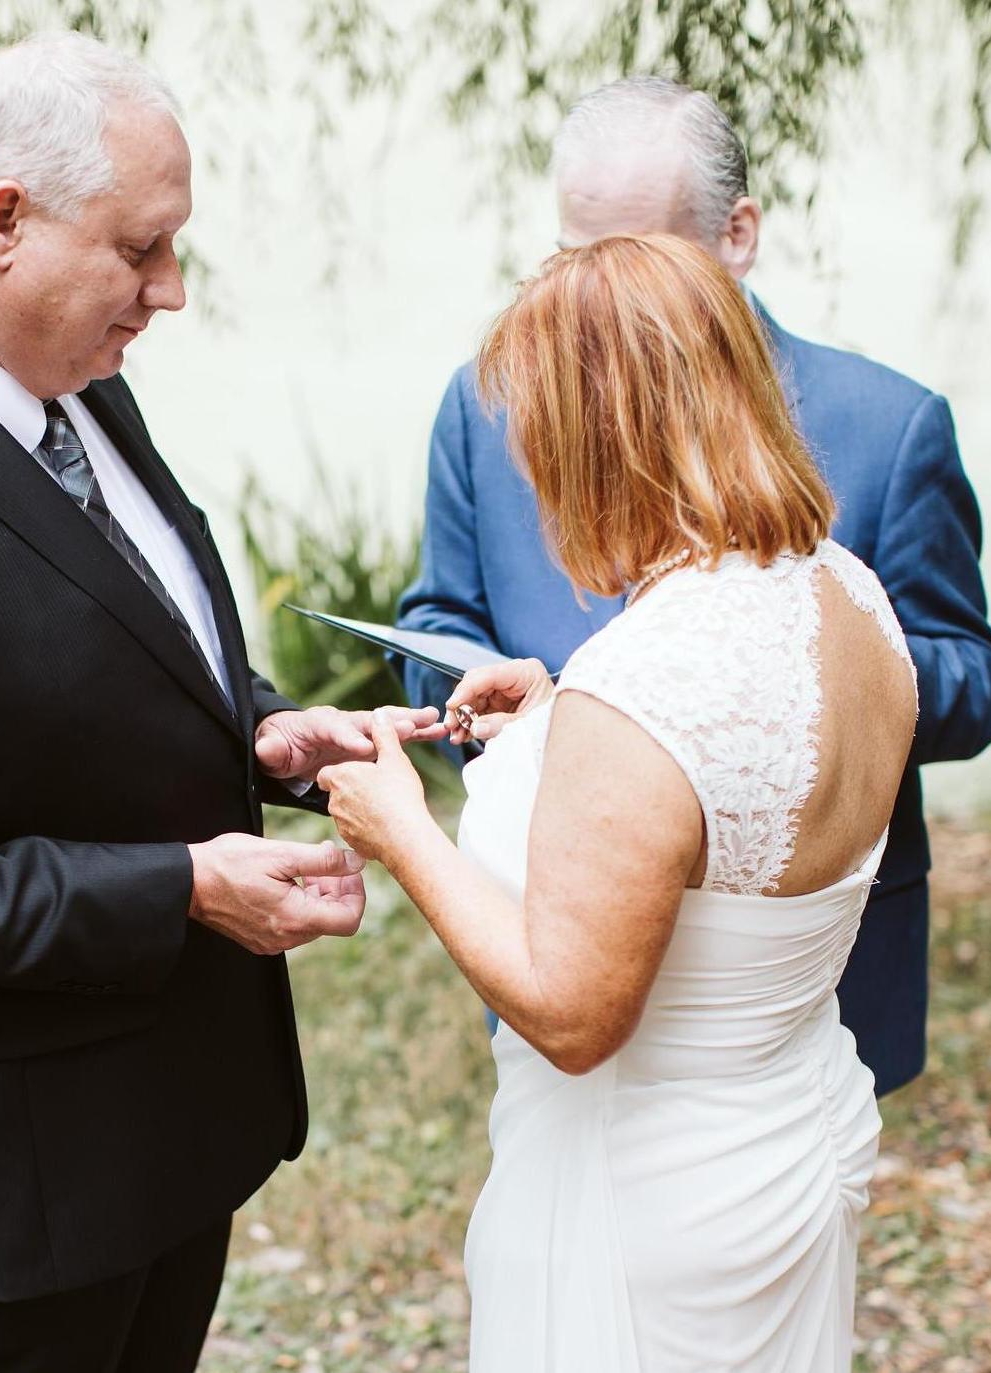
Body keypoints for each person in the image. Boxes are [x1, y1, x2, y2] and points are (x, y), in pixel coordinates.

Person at [0, 32, 441, 1373]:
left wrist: (261, 726)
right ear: (5, 224)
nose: (169, 291)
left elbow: (112, 641)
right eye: (141, 249)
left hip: (174, 1122)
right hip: (27, 1177)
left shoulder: (73, 379)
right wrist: (183, 886)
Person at [321, 233, 918, 1372]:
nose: (532, 470)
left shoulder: (643, 682)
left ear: (599, 444)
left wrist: (401, 829)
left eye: (538, 438)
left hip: (635, 1209)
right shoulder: (847, 594)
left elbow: (571, 1014)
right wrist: (559, 719)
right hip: (780, 1142)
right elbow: (737, 801)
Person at [396, 76, 991, 1095]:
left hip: (790, 981)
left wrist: (757, 701)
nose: (602, 293)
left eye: (641, 253)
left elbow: (969, 681)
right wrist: (507, 715)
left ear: (736, 233)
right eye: (576, 256)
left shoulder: (886, 425)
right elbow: (439, 615)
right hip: (563, 926)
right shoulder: (487, 401)